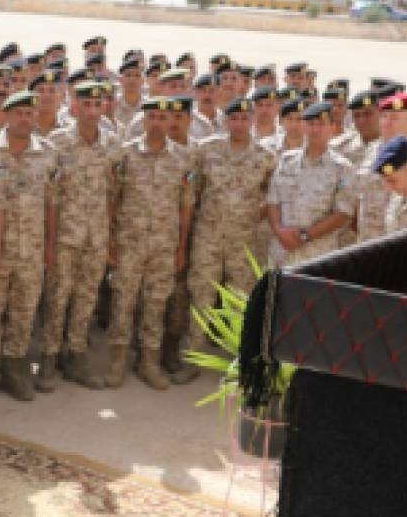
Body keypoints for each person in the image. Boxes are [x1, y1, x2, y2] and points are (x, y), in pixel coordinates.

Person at [0, 90, 57, 402]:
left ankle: (14, 369)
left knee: (24, 310)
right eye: (19, 113)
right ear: (6, 116)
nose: (25, 119)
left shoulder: (47, 153)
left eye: (30, 113)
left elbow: (52, 203)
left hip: (31, 249)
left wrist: (50, 244)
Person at [105, 97, 195, 390]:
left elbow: (186, 206)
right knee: (123, 301)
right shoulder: (125, 155)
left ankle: (149, 362)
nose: (157, 123)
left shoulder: (184, 159)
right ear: (144, 120)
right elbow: (112, 199)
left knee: (156, 304)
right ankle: (117, 361)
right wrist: (111, 242)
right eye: (152, 117)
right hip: (129, 242)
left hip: (164, 245)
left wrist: (181, 247)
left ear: (171, 121)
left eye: (162, 117)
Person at [36, 81, 118, 390]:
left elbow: (113, 193)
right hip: (65, 236)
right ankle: (49, 356)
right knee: (57, 297)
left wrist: (110, 238)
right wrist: (49, 241)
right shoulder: (57, 143)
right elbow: (50, 197)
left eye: (98, 105)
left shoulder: (112, 144)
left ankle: (76, 356)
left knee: (86, 298)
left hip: (96, 235)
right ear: (74, 106)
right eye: (86, 104)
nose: (92, 111)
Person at [184, 97, 277, 362]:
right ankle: (195, 353)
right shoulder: (206, 150)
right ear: (226, 121)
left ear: (252, 120)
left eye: (244, 118)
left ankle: (235, 360)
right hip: (208, 236)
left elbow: (272, 197)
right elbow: (192, 191)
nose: (239, 124)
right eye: (234, 118)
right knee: (201, 293)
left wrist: (250, 217)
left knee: (240, 297)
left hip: (244, 239)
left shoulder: (266, 156)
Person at [263, 101, 355, 267]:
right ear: (303, 127)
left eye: (321, 124)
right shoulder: (287, 160)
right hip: (281, 252)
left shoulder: (342, 167)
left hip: (318, 255)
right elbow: (272, 200)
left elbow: (343, 212)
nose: (315, 129)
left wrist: (305, 236)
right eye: (310, 123)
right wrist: (278, 229)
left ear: (332, 128)